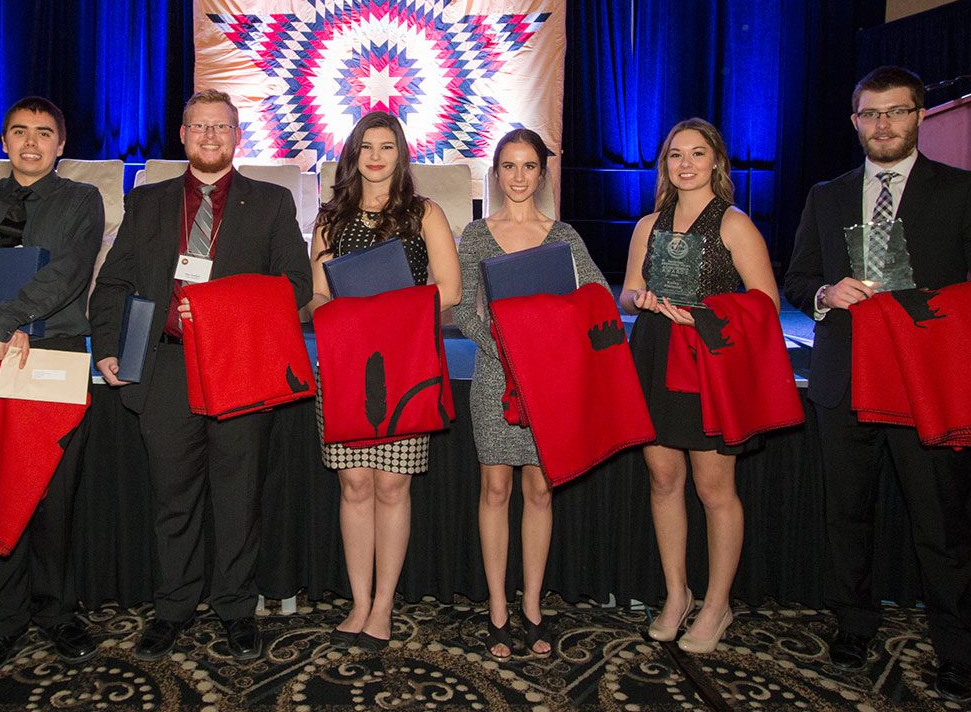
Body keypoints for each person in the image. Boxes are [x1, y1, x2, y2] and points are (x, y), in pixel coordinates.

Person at [90, 89, 311, 663]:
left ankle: (236, 609)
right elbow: (114, 282)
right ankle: (172, 608)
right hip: (165, 367)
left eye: (221, 127)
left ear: (237, 137)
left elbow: (295, 286)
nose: (210, 136)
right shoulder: (148, 201)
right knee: (173, 499)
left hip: (239, 368)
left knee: (239, 498)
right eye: (199, 127)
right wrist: (109, 346)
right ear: (183, 135)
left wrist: (220, 308)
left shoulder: (271, 202)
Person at [784, 66, 971, 702]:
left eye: (896, 112)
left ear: (920, 116)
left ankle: (957, 647)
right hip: (847, 378)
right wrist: (824, 294)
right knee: (847, 514)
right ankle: (854, 625)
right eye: (871, 113)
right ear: (855, 121)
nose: (883, 124)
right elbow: (797, 277)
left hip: (923, 384)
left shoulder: (959, 192)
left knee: (940, 522)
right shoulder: (828, 195)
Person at [0, 96, 104, 679]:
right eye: (20, 132)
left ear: (61, 145)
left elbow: (68, 273)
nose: (32, 143)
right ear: (4, 142)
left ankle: (57, 612)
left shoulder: (82, 200)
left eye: (44, 133)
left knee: (54, 492)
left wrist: (4, 322)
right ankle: (3, 620)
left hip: (55, 353)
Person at [619, 118, 778, 654]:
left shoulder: (734, 223)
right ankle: (676, 594)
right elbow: (627, 292)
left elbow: (766, 301)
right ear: (664, 165)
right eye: (675, 155)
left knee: (714, 489)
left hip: (708, 360)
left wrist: (706, 313)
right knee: (663, 478)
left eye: (696, 153)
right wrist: (639, 299)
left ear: (716, 162)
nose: (685, 164)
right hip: (654, 352)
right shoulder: (648, 224)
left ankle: (717, 604)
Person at [306, 110, 460, 651]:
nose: (376, 156)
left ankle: (384, 606)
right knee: (354, 484)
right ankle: (359, 601)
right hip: (345, 362)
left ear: (401, 154)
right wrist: (331, 310)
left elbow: (451, 291)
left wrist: (388, 311)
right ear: (353, 153)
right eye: (366, 146)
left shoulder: (424, 213)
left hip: (404, 362)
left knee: (392, 486)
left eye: (387, 146)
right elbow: (317, 294)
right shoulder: (330, 217)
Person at [453, 128, 607, 660]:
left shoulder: (562, 236)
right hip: (496, 379)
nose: (518, 177)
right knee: (495, 490)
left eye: (528, 166)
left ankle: (533, 605)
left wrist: (554, 340)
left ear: (543, 173)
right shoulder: (477, 234)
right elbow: (461, 308)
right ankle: (498, 607)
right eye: (509, 166)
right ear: (496, 174)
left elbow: (597, 295)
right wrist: (498, 346)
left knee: (540, 491)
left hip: (547, 383)